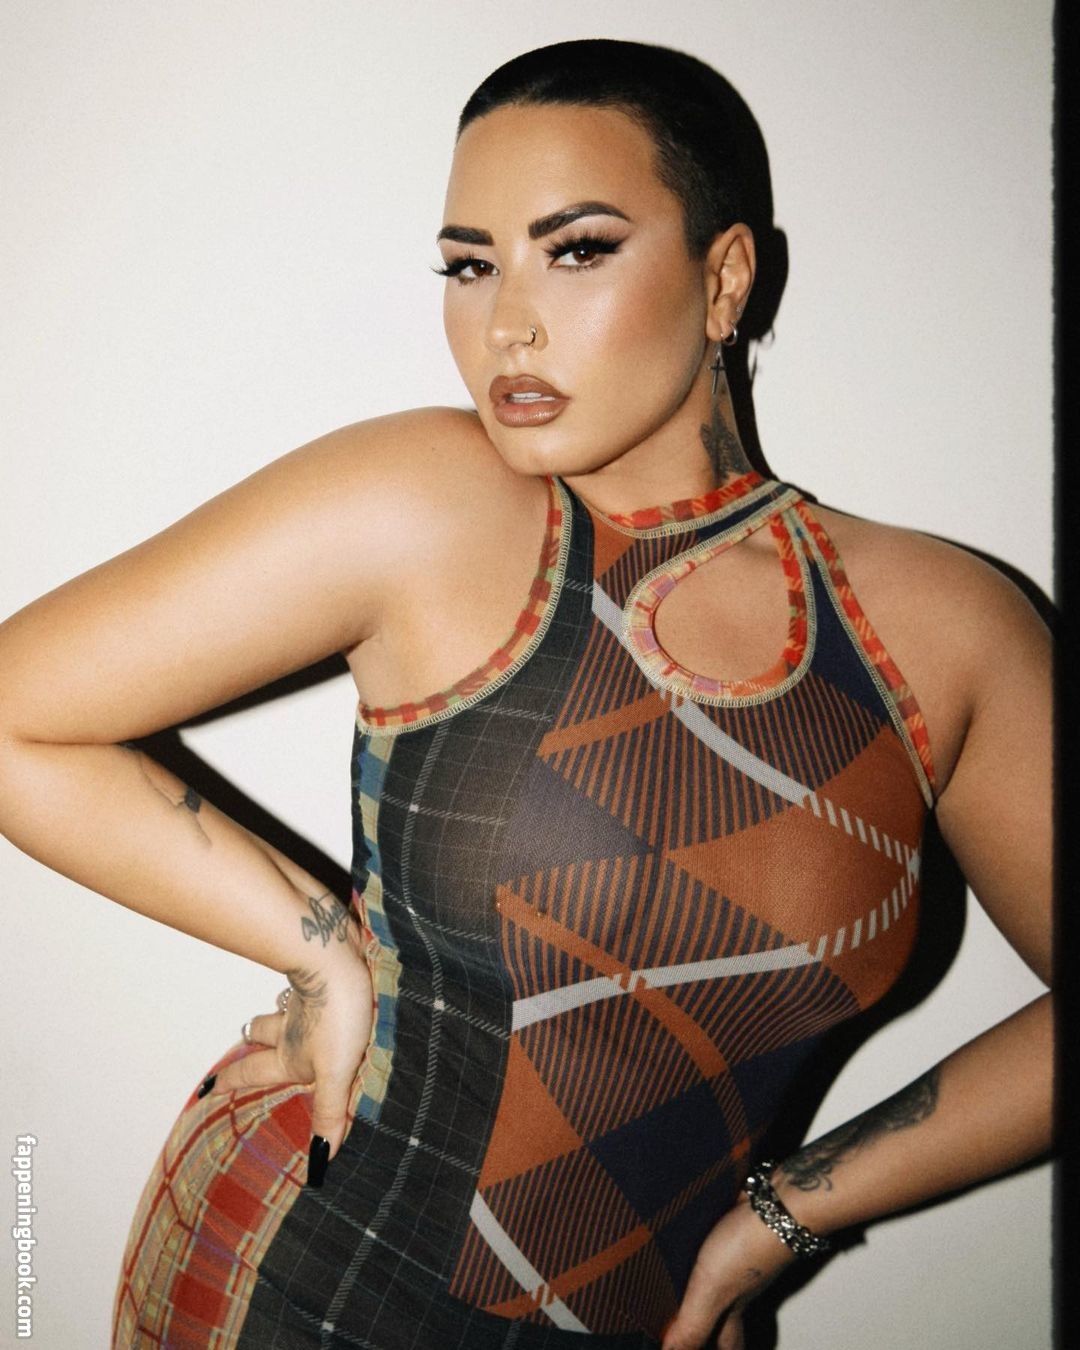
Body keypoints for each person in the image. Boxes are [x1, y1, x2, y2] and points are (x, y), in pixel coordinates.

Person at [0, 36, 1052, 1350]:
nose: (505, 323)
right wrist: (318, 946)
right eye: (469, 264)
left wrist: (782, 1217)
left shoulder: (945, 629)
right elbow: (18, 713)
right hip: (319, 1278)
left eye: (578, 249)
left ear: (725, 278)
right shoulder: (435, 505)